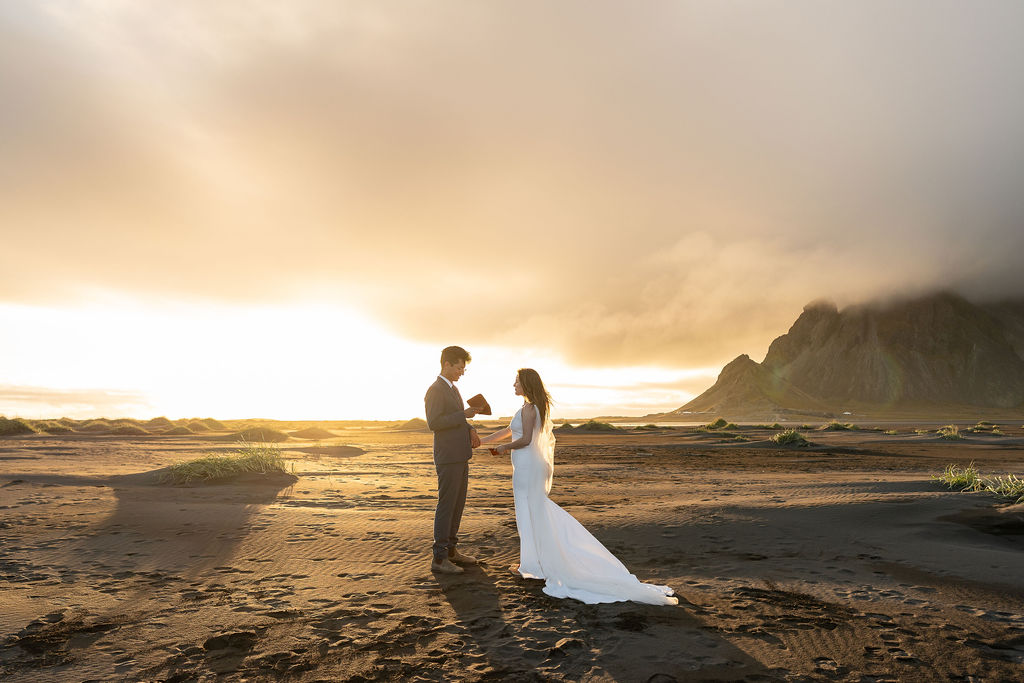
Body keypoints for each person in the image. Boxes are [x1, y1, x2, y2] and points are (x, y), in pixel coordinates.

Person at [479, 368, 678, 605]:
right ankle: (531, 562)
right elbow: (508, 431)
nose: (513, 385)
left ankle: (534, 564)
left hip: (529, 466)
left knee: (532, 511)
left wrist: (503, 449)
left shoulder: (531, 409)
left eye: (517, 382)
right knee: (528, 512)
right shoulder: (524, 408)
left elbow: (526, 440)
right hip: (523, 466)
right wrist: (481, 441)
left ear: (527, 385)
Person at [424, 345, 482, 574]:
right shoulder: (435, 390)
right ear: (447, 364)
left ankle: (451, 551)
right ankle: (439, 560)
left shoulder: (454, 390)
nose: (462, 372)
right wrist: (464, 414)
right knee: (447, 506)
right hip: (447, 456)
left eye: (464, 368)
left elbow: (457, 419)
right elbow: (434, 423)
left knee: (458, 505)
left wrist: (470, 427)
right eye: (459, 367)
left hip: (461, 454)